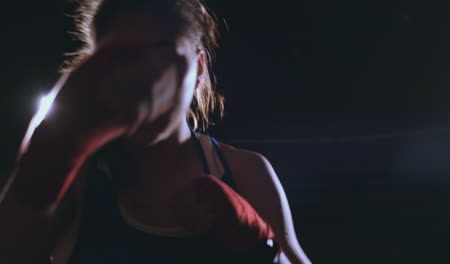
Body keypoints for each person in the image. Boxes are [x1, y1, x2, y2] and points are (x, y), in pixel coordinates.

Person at [0, 0, 311, 263]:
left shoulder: (245, 170)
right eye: (121, 55)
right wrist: (43, 164)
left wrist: (258, 242)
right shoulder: (81, 177)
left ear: (199, 67)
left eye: (162, 50)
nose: (141, 76)